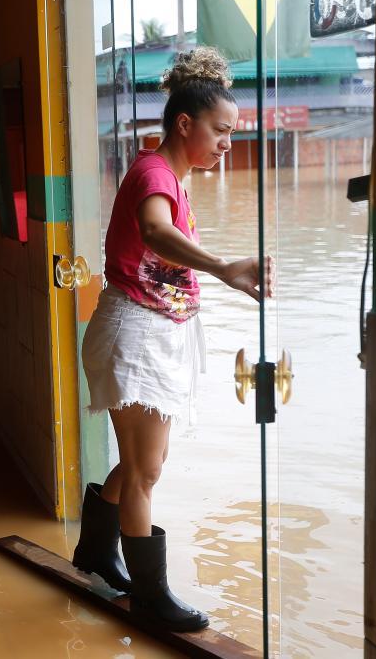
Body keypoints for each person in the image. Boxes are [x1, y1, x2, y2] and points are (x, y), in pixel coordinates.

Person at [72, 46, 269, 632]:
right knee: (145, 472)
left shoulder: (172, 176)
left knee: (145, 463)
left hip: (149, 331)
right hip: (133, 335)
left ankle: (96, 549)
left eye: (231, 132)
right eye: (221, 130)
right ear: (186, 124)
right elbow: (155, 231)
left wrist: (223, 274)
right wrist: (223, 267)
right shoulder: (155, 174)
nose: (228, 142)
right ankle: (151, 597)